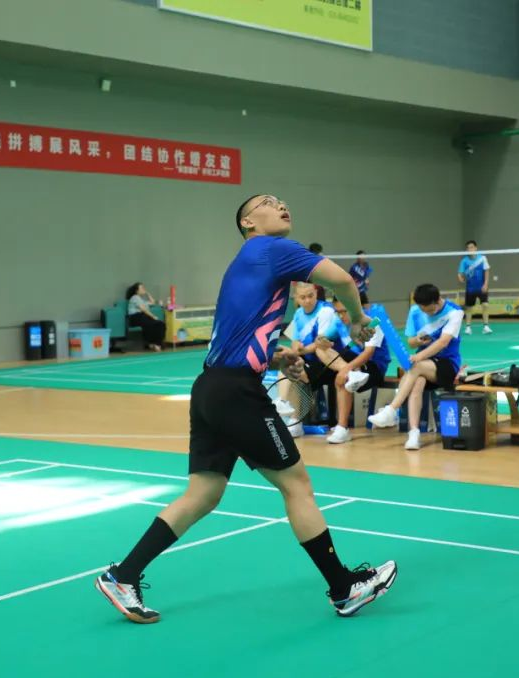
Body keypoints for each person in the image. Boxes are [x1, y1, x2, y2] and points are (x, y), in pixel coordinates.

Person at [95, 194, 397, 624]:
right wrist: (357, 318)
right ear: (248, 222)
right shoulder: (273, 248)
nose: (282, 205)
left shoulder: (245, 263)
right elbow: (344, 280)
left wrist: (276, 358)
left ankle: (123, 576)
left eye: (283, 201)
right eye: (268, 203)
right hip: (236, 393)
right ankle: (344, 588)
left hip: (210, 388)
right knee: (297, 487)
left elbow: (239, 337)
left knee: (203, 494)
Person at [368, 284, 464, 451]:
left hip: (447, 364)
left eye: (429, 310)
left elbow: (443, 342)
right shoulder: (415, 311)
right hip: (423, 364)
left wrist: (419, 357)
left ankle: (392, 410)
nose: (425, 313)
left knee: (416, 367)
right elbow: (411, 342)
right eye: (422, 309)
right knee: (417, 383)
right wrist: (418, 341)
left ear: (437, 301)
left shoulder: (454, 312)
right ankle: (414, 434)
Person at [317, 296, 391, 445]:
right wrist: (322, 340)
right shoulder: (338, 321)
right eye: (338, 312)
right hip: (353, 365)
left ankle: (342, 428)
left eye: (344, 311)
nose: (341, 316)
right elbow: (319, 340)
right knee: (320, 348)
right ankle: (352, 374)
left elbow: (368, 353)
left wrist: (345, 370)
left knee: (343, 379)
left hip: (374, 366)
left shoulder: (371, 322)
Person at [274, 282, 336, 437]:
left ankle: (292, 416)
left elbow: (321, 343)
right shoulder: (298, 314)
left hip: (326, 361)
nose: (307, 300)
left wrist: (303, 349)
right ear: (296, 298)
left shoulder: (326, 311)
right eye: (303, 297)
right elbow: (295, 342)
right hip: (307, 360)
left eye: (310, 296)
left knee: (293, 370)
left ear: (316, 293)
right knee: (287, 364)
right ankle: (290, 414)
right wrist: (296, 348)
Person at [458, 241, 491, 335]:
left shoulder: (482, 258)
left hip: (481, 287)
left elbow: (487, 271)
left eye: (472, 247)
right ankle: (468, 327)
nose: (470, 249)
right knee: (469, 308)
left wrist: (486, 284)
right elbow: (460, 273)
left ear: (476, 248)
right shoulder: (464, 261)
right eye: (468, 248)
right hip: (470, 288)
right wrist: (460, 278)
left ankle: (486, 326)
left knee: (485, 305)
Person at [125, 282, 165, 352]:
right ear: (137, 291)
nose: (144, 289)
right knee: (152, 323)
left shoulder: (141, 300)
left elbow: (152, 302)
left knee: (161, 324)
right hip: (135, 318)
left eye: (144, 288)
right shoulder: (135, 297)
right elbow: (144, 309)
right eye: (142, 288)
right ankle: (153, 343)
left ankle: (156, 343)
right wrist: (153, 316)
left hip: (143, 317)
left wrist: (148, 294)